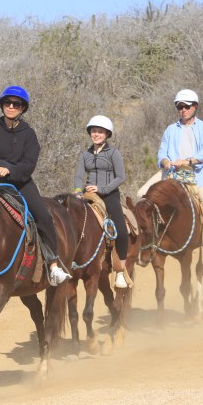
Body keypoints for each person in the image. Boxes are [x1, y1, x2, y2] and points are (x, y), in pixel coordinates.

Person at [0, 85, 72, 286]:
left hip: (21, 183)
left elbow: (29, 164)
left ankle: (52, 264)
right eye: (7, 103)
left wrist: (9, 170)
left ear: (22, 108)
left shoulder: (29, 134)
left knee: (43, 214)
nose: (11, 106)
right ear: (2, 105)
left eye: (16, 104)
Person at [137, 89, 203, 264]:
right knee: (140, 195)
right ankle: (150, 238)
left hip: (195, 174)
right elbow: (162, 153)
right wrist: (165, 161)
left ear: (195, 107)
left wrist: (188, 161)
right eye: (179, 106)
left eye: (187, 106)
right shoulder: (170, 129)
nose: (183, 110)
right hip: (170, 173)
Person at [73, 115, 132, 288]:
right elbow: (78, 176)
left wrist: (102, 189)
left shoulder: (114, 153)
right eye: (93, 131)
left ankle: (120, 271)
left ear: (107, 134)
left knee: (121, 230)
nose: (96, 134)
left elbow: (121, 176)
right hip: (87, 194)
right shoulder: (85, 154)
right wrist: (77, 192)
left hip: (109, 194)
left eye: (100, 131)